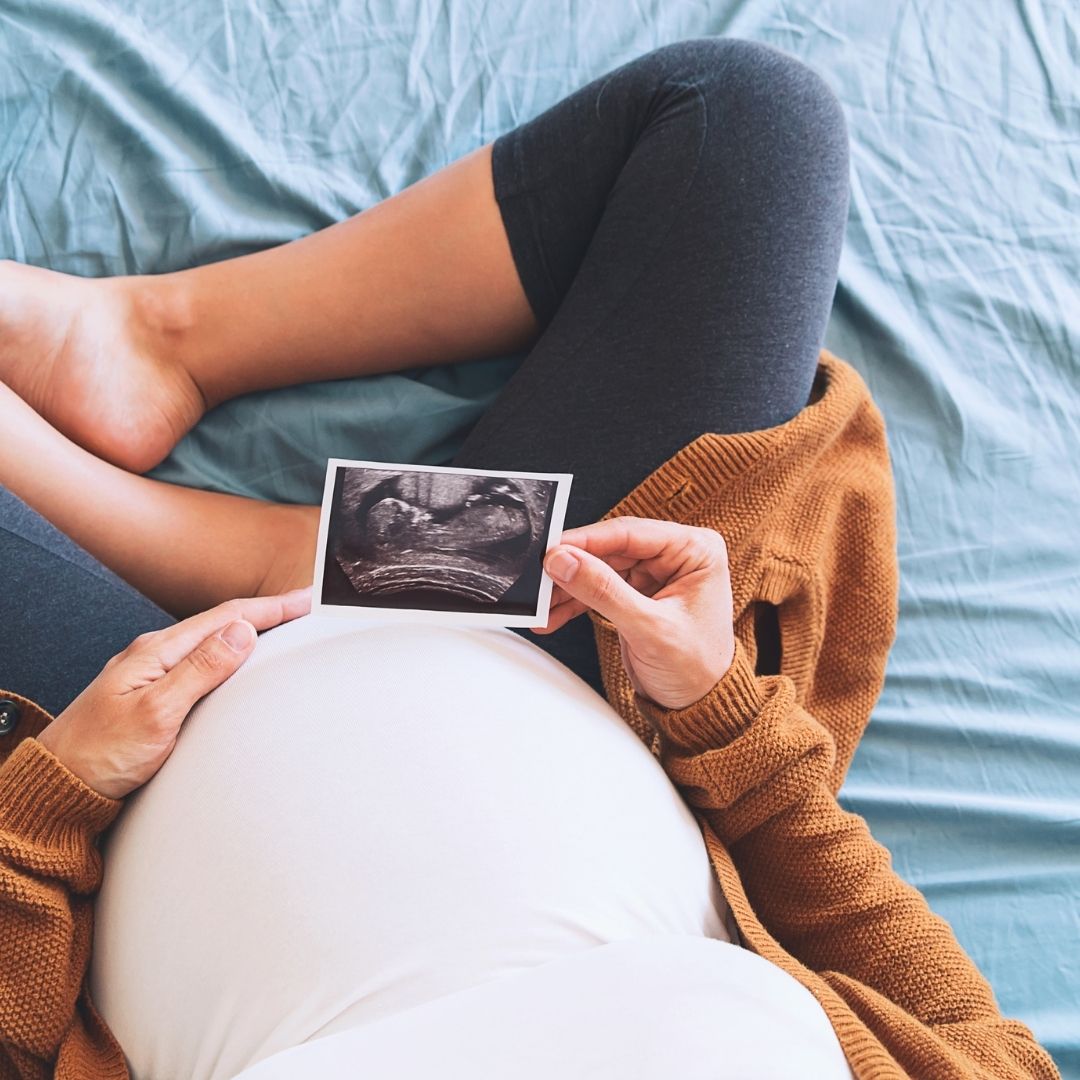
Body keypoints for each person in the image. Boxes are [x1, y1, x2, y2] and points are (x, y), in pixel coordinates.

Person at [0, 37, 1059, 1080]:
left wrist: (47, 810)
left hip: (123, 768)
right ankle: (173, 358)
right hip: (568, 656)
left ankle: (278, 555)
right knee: (740, 129)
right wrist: (716, 710)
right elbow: (952, 1032)